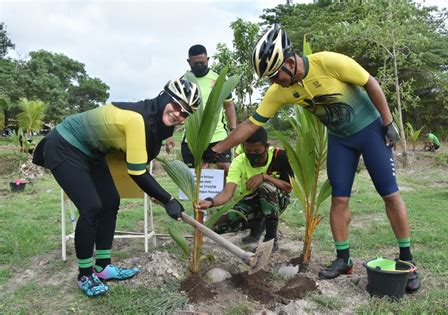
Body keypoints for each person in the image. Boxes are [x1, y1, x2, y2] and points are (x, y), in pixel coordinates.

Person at [211, 25, 420, 292]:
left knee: (389, 194)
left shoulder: (329, 62)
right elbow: (251, 125)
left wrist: (388, 122)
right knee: (339, 199)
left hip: (369, 130)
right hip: (340, 140)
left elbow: (371, 83)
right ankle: (343, 259)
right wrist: (218, 149)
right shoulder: (279, 91)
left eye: (275, 75)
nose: (274, 83)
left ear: (289, 61)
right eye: (269, 79)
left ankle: (407, 260)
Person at [32, 78, 201, 297]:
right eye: (177, 105)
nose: (178, 114)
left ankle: (103, 267)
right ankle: (85, 274)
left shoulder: (154, 122)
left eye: (185, 113)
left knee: (111, 201)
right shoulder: (137, 120)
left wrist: (159, 196)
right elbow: (138, 171)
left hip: (92, 152)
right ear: (164, 97)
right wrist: (168, 199)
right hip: (65, 145)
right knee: (91, 207)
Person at [197, 128, 292, 252]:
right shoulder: (239, 162)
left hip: (277, 201)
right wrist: (210, 202)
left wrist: (265, 177)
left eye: (257, 150)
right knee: (216, 225)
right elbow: (227, 192)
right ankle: (256, 224)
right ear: (243, 147)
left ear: (267, 147)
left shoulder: (280, 157)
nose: (252, 154)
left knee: (265, 186)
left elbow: (288, 188)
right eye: (248, 151)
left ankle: (270, 240)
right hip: (250, 201)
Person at [165, 44, 237, 173]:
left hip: (217, 136)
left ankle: (224, 193)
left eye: (202, 62)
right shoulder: (183, 81)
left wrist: (233, 129)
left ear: (208, 60)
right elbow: (173, 111)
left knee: (225, 169)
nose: (199, 65)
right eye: (195, 63)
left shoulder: (218, 79)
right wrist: (169, 135)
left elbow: (229, 105)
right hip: (192, 139)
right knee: (195, 175)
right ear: (189, 62)